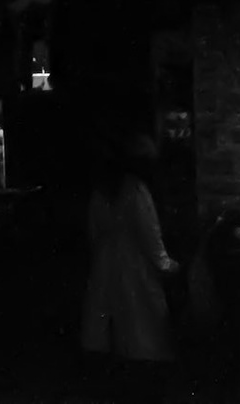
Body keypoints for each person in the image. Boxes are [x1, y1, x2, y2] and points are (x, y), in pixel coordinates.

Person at [81, 134, 178, 403]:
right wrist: (167, 266)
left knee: (113, 332)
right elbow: (150, 234)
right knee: (143, 333)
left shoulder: (102, 191)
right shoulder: (135, 190)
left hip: (106, 267)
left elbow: (94, 231)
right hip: (136, 270)